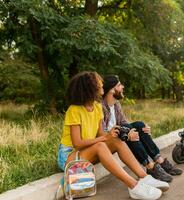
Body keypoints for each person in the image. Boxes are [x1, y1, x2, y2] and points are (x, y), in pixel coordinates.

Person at [57, 71, 169, 200]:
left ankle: (144, 177)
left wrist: (112, 135)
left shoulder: (97, 107)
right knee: (100, 145)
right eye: (99, 84)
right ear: (90, 88)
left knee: (115, 140)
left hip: (87, 151)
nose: (102, 86)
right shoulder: (74, 110)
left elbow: (101, 134)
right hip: (69, 155)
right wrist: (105, 138)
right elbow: (77, 143)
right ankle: (133, 186)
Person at [101, 75, 183, 183]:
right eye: (119, 85)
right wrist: (126, 131)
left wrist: (135, 129)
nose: (123, 87)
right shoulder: (100, 106)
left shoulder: (116, 104)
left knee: (140, 125)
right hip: (108, 138)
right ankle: (150, 167)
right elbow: (102, 132)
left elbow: (123, 121)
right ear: (112, 89)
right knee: (128, 130)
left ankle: (160, 161)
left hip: (119, 133)